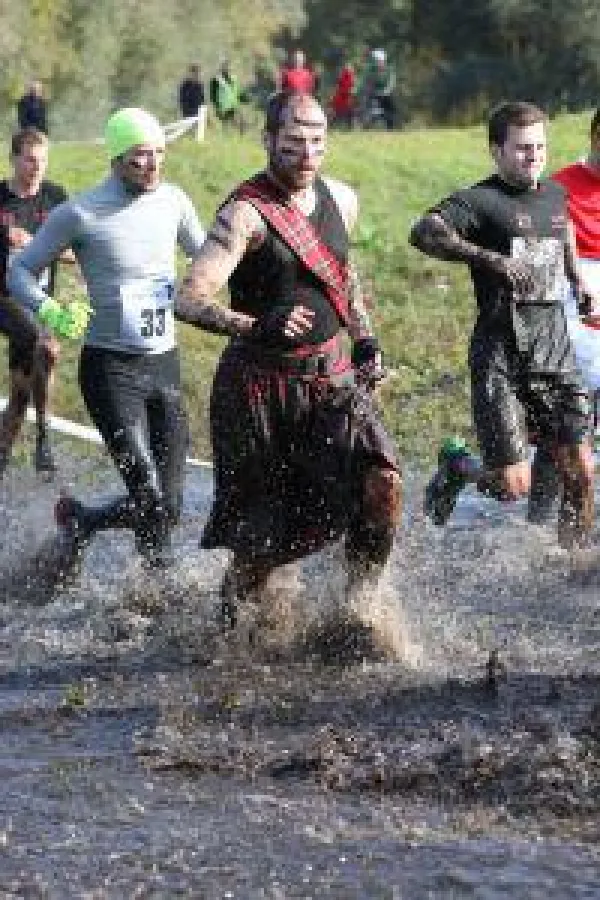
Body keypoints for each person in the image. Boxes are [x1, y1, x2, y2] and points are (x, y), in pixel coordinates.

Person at [175, 91, 401, 629]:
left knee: (382, 487)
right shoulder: (245, 214)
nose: (306, 154)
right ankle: (230, 633)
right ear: (269, 140)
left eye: (317, 142)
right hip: (259, 391)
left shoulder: (342, 198)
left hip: (332, 381)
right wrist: (257, 324)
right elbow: (188, 298)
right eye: (293, 143)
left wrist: (364, 338)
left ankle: (358, 610)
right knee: (262, 544)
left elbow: (342, 276)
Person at [8, 107, 206, 572]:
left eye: (159, 153)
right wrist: (51, 310)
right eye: (140, 157)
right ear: (117, 159)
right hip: (110, 371)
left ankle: (83, 521)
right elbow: (18, 270)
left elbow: (207, 258)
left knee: (170, 508)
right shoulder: (78, 212)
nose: (153, 164)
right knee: (149, 494)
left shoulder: (174, 201)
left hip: (164, 365)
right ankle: (154, 598)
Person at [409, 100, 594, 550]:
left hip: (555, 351)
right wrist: (491, 259)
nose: (533, 157)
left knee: (581, 473)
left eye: (540, 147)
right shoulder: (479, 201)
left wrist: (577, 278)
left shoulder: (553, 193)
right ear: (496, 150)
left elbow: (562, 230)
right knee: (511, 484)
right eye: (522, 149)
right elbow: (423, 231)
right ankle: (459, 467)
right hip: (501, 356)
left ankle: (569, 565)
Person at [527, 107, 600, 522]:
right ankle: (536, 530)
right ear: (594, 136)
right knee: (560, 444)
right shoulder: (556, 190)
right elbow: (534, 277)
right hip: (570, 334)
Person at [0, 126, 72, 476]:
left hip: (42, 298)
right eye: (29, 160)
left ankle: (15, 449)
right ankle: (44, 433)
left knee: (21, 392)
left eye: (42, 161)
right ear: (14, 159)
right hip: (5, 296)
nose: (37, 167)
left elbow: (76, 250)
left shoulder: (57, 197)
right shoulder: (1, 198)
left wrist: (41, 245)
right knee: (40, 341)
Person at [209, 61, 245, 129]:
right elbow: (213, 96)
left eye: (228, 66)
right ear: (221, 68)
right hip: (223, 109)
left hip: (234, 107)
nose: (227, 68)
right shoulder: (216, 80)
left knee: (239, 127)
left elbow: (238, 93)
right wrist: (217, 108)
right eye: (225, 67)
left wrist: (246, 100)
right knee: (226, 128)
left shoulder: (234, 79)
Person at [329, 62, 355, 129]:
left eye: (349, 67)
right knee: (338, 112)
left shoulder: (350, 76)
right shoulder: (343, 75)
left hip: (346, 97)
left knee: (348, 112)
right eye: (347, 67)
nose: (348, 68)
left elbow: (351, 86)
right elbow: (338, 85)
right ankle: (332, 125)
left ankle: (349, 126)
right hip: (341, 96)